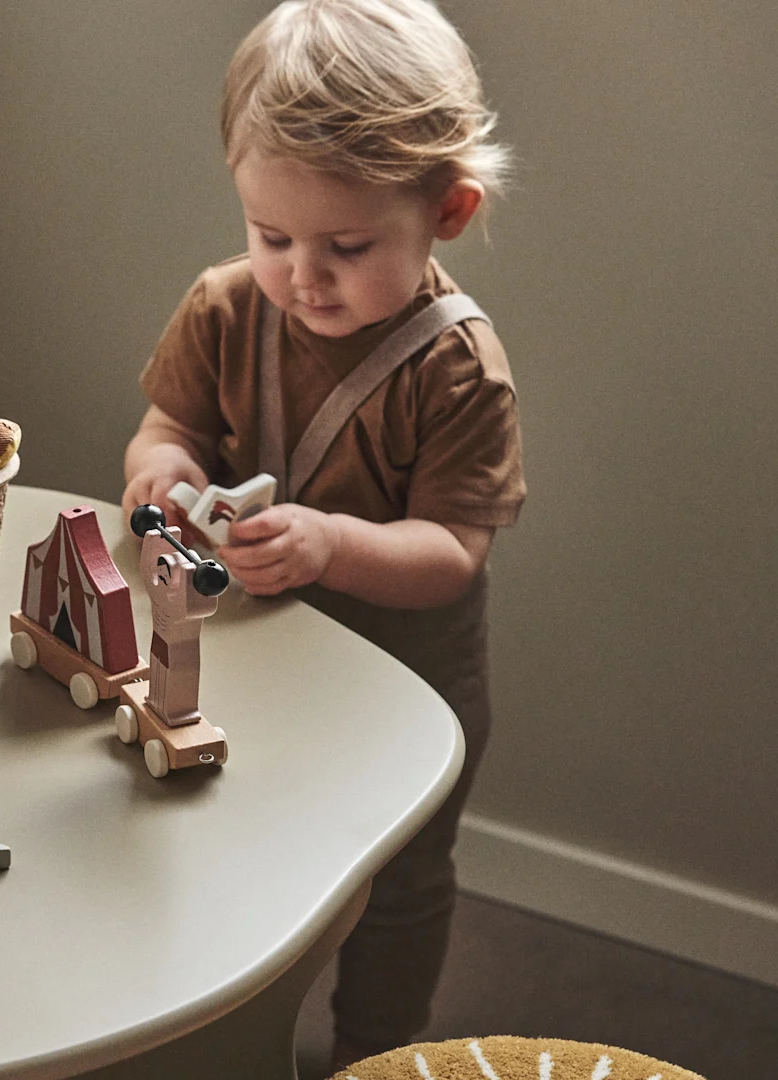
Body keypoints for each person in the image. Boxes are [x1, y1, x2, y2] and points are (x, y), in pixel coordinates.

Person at [120, 0, 525, 1067]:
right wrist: (159, 478)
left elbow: (452, 552)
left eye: (348, 245)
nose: (304, 274)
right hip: (260, 662)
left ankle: (373, 1050)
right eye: (272, 236)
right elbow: (166, 432)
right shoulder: (224, 309)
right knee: (238, 849)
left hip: (408, 687)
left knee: (397, 890)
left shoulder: (456, 369)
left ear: (448, 211)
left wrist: (331, 545)